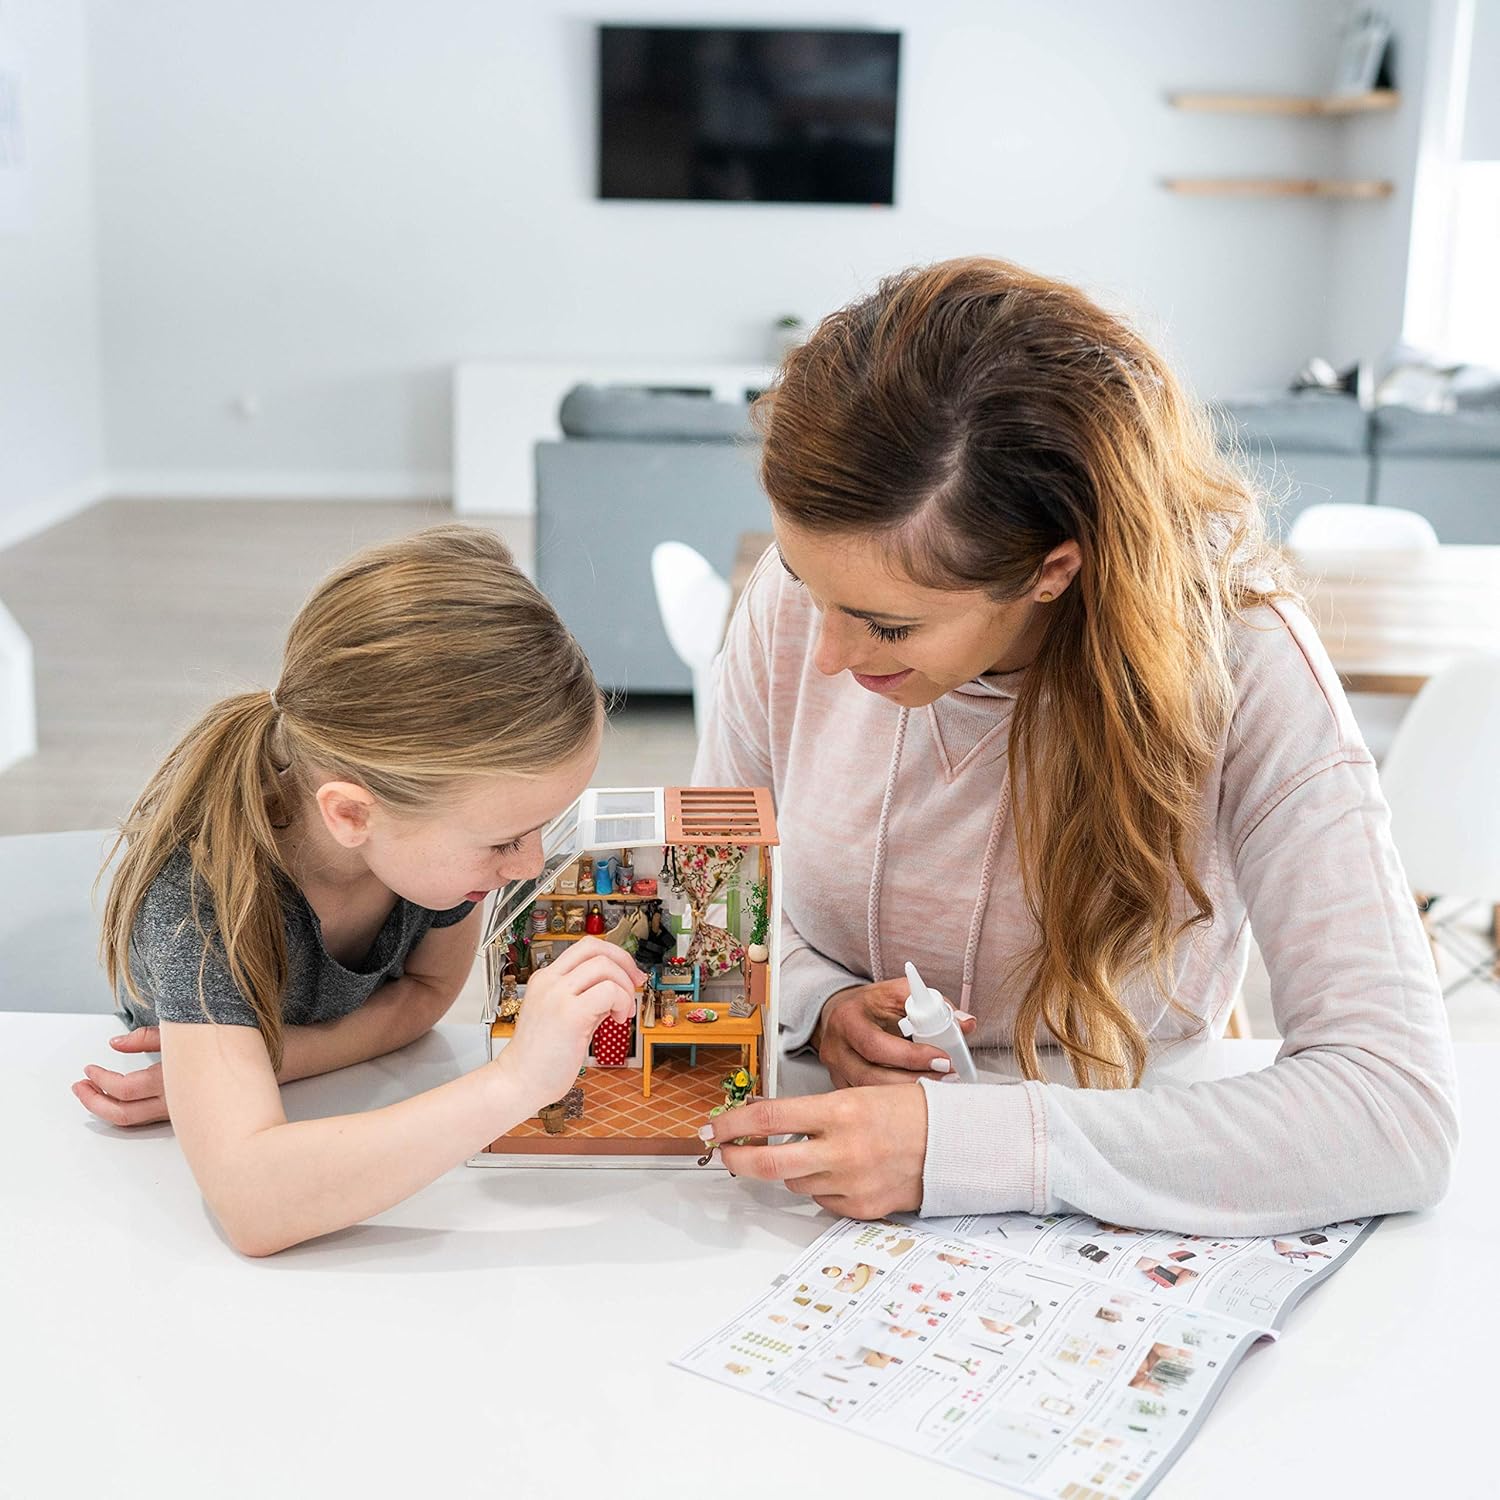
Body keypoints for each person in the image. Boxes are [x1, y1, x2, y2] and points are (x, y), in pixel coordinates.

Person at [696, 257, 1458, 1231]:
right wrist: (820, 1001)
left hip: (1131, 1174)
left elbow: (1396, 1112)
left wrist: (980, 1148)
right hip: (819, 1166)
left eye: (888, 628)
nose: (828, 656)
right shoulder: (811, 604)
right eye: (803, 584)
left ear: (1052, 570)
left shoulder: (1248, 664)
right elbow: (721, 905)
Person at [75, 526, 638, 1255]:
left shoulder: (430, 860)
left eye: (539, 829)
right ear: (349, 814)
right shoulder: (200, 901)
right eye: (504, 839)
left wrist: (272, 1060)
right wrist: (515, 1083)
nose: (529, 865)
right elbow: (253, 1203)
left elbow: (427, 996)